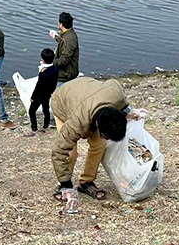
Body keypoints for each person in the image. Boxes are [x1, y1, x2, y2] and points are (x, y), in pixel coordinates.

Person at [51, 77, 143, 211]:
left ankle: (86, 182)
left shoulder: (116, 95)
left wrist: (128, 112)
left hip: (90, 91)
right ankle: (64, 186)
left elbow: (113, 83)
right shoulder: (76, 123)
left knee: (100, 145)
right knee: (70, 153)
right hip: (63, 101)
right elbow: (58, 151)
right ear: (98, 125)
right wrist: (66, 184)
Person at [26, 48, 58, 137]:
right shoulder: (55, 69)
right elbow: (54, 82)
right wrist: (51, 91)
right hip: (47, 94)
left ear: (43, 60)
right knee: (46, 110)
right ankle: (45, 126)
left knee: (31, 111)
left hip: (40, 95)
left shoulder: (43, 73)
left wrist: (33, 97)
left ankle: (34, 129)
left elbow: (38, 87)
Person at [48, 12, 79, 89]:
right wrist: (56, 36)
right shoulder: (69, 34)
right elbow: (63, 42)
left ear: (61, 24)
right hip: (66, 72)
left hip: (66, 75)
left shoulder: (70, 39)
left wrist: (49, 63)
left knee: (57, 97)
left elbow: (64, 60)